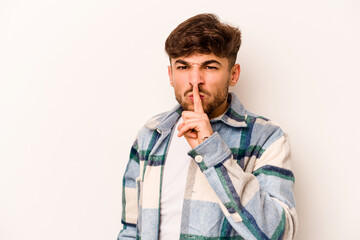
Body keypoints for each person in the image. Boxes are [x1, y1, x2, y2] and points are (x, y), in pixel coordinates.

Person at [117, 13, 298, 240]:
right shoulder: (151, 134)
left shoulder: (267, 139)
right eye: (183, 67)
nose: (195, 80)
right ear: (171, 75)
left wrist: (212, 151)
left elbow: (279, 234)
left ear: (233, 74)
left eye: (210, 67)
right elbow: (131, 230)